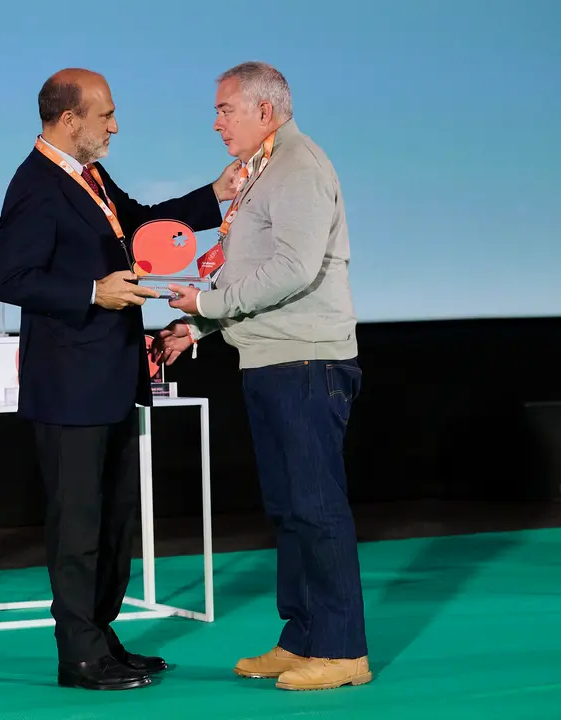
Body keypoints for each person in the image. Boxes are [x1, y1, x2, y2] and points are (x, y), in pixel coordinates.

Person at [0, 68, 240, 691]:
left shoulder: (89, 176)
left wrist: (216, 193)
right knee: (76, 524)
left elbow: (143, 224)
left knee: (112, 520)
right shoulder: (35, 185)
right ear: (68, 120)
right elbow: (10, 279)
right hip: (69, 385)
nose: (115, 126)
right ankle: (77, 655)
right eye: (105, 116)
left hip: (110, 377)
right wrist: (90, 291)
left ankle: (100, 635)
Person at [154, 61, 372, 692]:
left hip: (306, 359)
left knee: (317, 507)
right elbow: (246, 272)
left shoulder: (299, 167)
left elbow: (294, 269)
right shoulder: (262, 173)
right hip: (271, 358)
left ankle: (342, 650)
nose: (216, 121)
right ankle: (302, 636)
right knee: (290, 509)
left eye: (226, 109)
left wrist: (207, 307)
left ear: (265, 112)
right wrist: (195, 329)